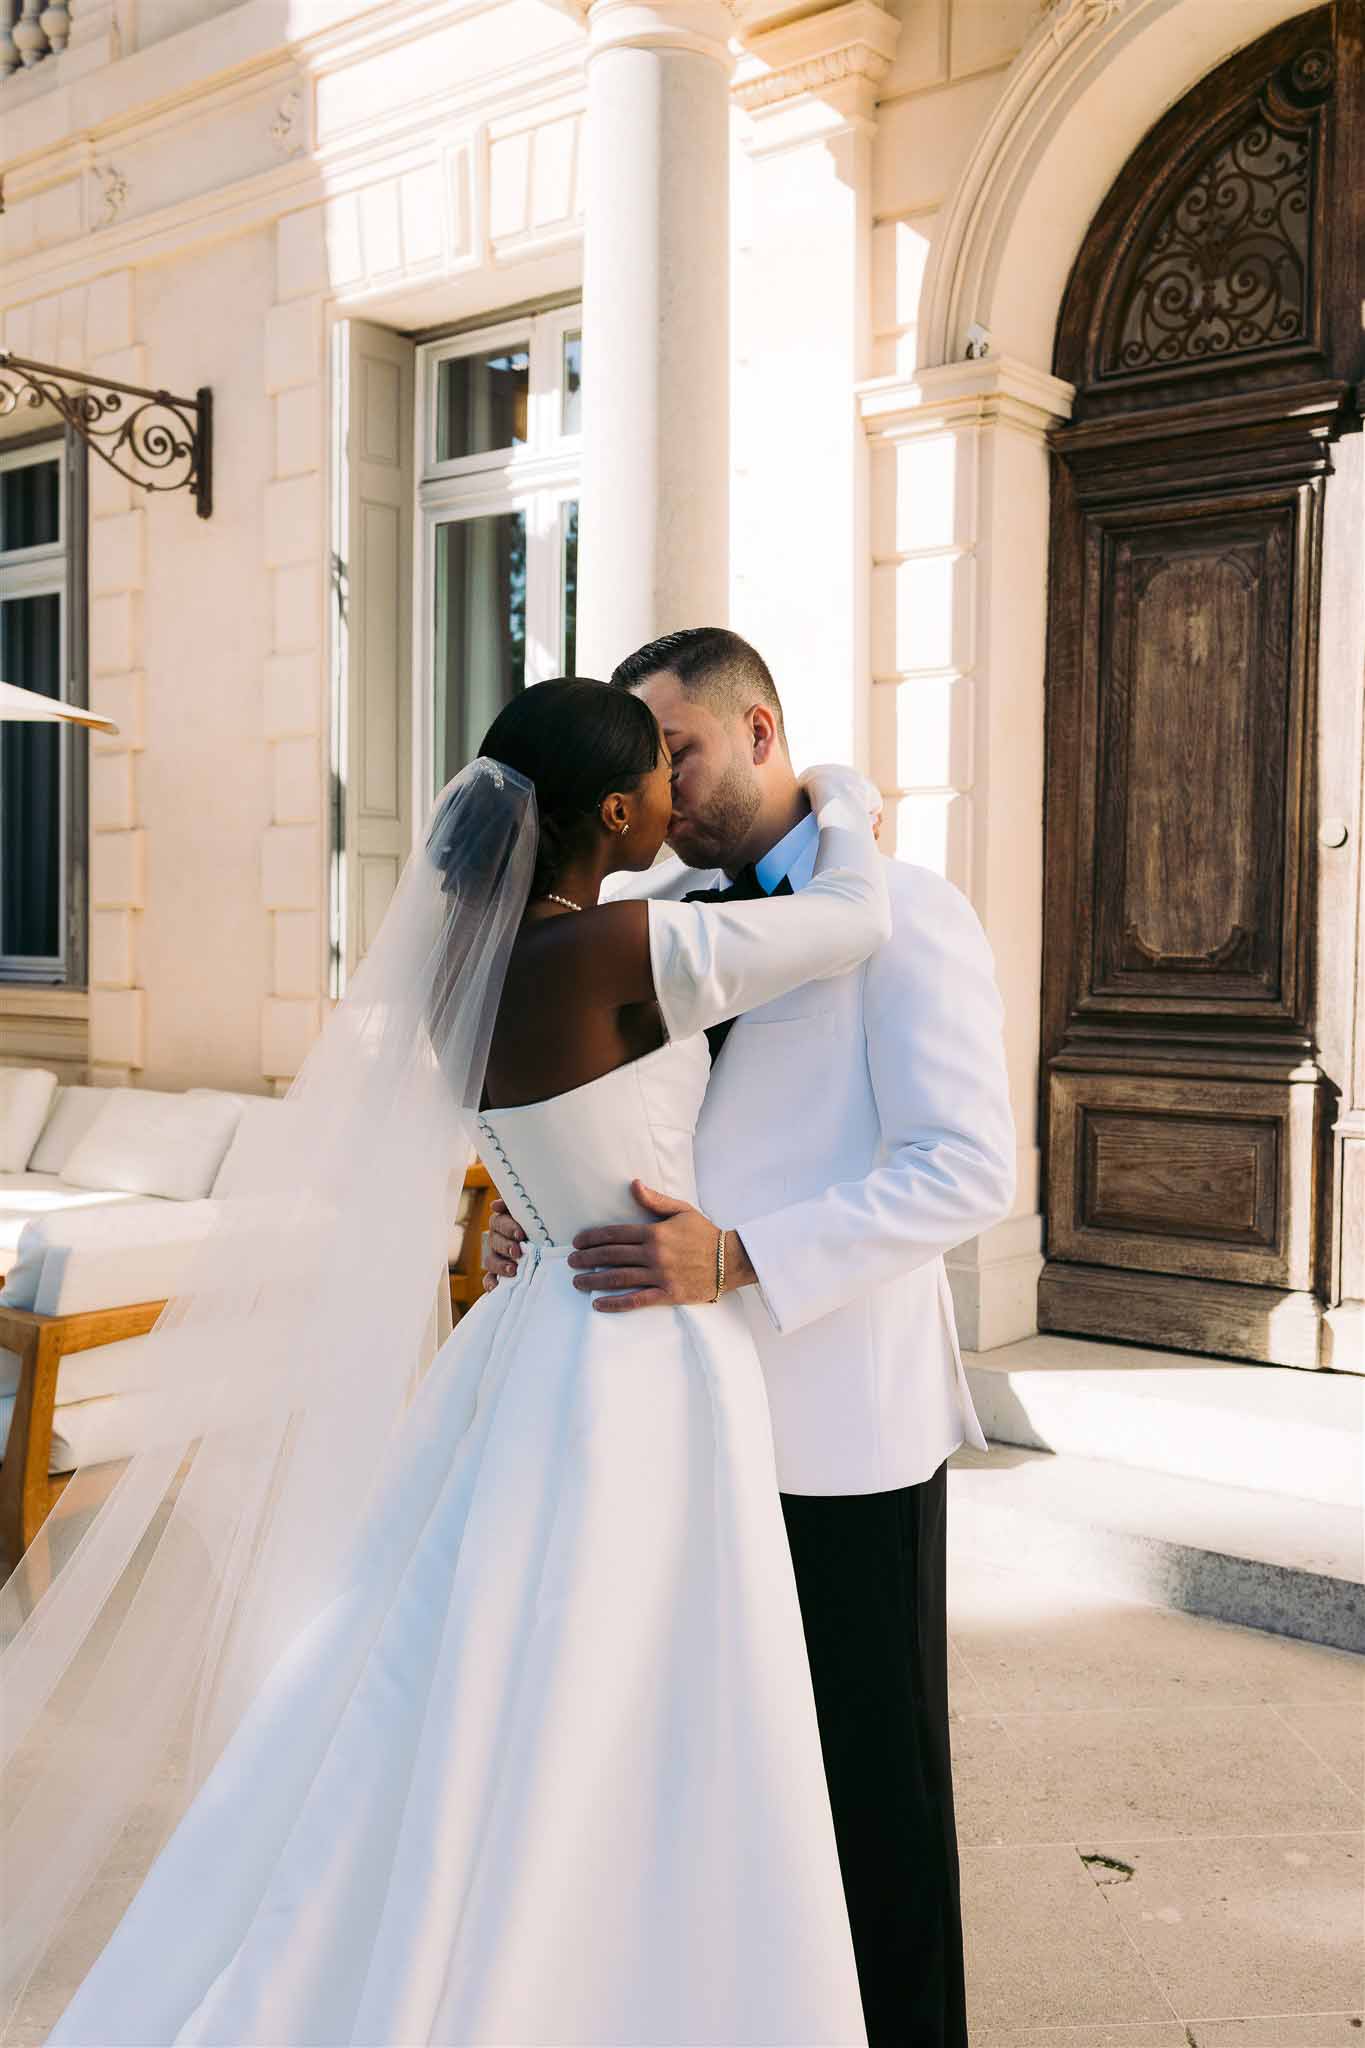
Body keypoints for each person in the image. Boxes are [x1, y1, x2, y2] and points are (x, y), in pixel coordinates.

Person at [5, 678, 893, 2048]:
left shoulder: (454, 976)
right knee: (624, 1683)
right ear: (613, 811)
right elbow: (852, 924)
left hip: (537, 1329)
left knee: (485, 1669)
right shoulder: (612, 951)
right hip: (643, 1356)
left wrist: (529, 1228)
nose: (676, 791)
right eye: (659, 771)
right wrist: (842, 797)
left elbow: (546, 1156)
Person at [486, 630, 1016, 2048]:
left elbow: (965, 1169)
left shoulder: (902, 911)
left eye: (682, 750)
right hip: (667, 1425)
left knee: (870, 1786)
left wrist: (739, 1257)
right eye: (642, 761)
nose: (658, 782)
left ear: (762, 730)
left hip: (838, 1424)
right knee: (715, 1784)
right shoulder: (646, 909)